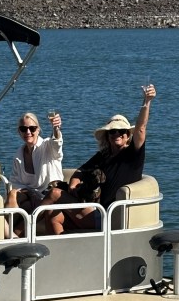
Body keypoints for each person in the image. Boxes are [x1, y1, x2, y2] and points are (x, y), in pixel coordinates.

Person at [44, 84, 157, 234]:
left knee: (54, 194)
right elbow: (80, 171)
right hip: (94, 209)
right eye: (112, 132)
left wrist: (147, 101)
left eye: (121, 131)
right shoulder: (104, 155)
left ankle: (28, 223)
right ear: (107, 136)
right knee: (54, 217)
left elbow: (141, 128)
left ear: (128, 135)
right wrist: (73, 185)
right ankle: (57, 252)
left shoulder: (132, 155)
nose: (117, 134)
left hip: (106, 216)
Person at [5, 111, 64, 213]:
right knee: (13, 195)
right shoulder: (18, 155)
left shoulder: (48, 146)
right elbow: (15, 182)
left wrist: (56, 129)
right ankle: (8, 226)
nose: (28, 132)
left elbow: (57, 143)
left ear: (38, 130)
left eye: (32, 128)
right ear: (19, 132)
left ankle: (9, 227)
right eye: (23, 129)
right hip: (30, 197)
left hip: (48, 196)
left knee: (17, 200)